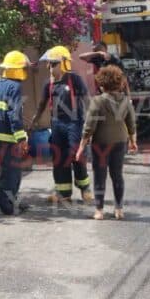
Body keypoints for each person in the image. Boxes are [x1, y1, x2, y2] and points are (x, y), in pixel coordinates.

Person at [28, 46, 94, 205]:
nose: (50, 67)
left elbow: (87, 101)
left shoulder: (74, 79)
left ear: (64, 63)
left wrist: (91, 124)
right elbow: (42, 105)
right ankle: (63, 193)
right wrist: (34, 121)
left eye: (54, 63)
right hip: (57, 125)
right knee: (59, 158)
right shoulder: (48, 84)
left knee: (76, 156)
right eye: (49, 64)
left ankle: (85, 189)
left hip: (74, 124)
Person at [77, 66, 138, 220]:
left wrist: (81, 147)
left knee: (100, 176)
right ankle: (119, 209)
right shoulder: (125, 100)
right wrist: (133, 141)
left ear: (102, 84)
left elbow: (89, 126)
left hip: (101, 144)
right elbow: (131, 123)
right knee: (117, 175)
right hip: (120, 142)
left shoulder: (97, 101)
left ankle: (99, 210)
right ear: (118, 83)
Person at [0, 51, 32, 215]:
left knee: (10, 169)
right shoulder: (15, 86)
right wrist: (21, 138)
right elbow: (14, 114)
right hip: (8, 136)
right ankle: (5, 205)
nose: (26, 71)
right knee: (11, 170)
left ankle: (8, 201)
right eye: (24, 68)